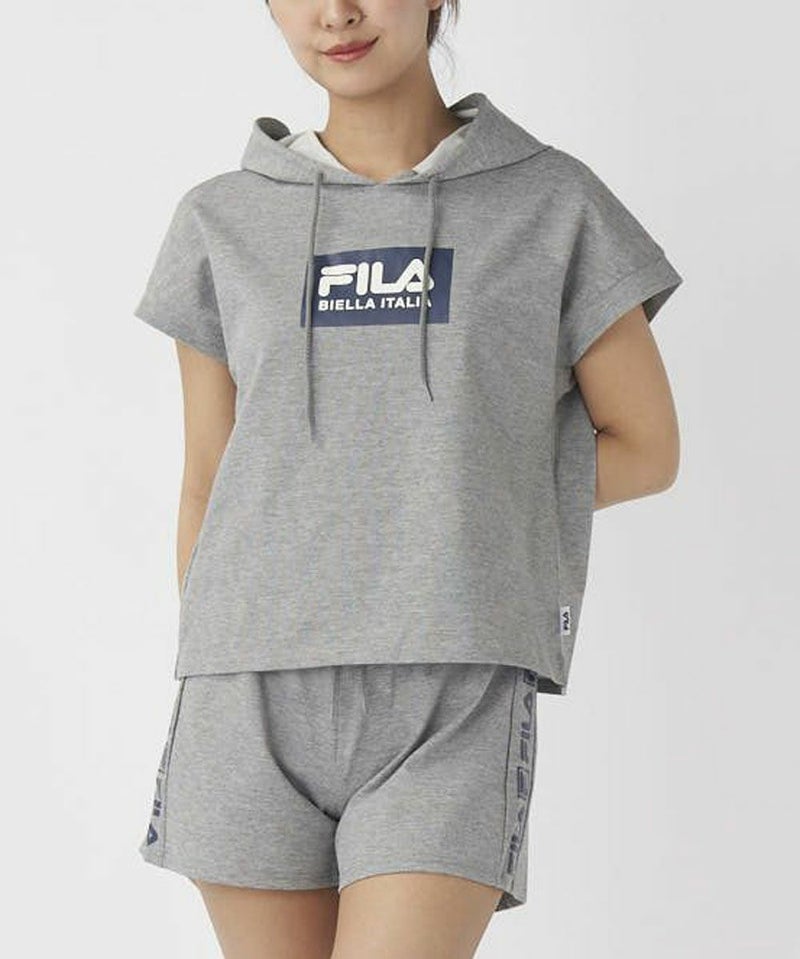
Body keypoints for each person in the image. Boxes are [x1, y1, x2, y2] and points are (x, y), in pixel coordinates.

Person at [133, 1, 684, 956]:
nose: (335, 13)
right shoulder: (221, 217)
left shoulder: (552, 203)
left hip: (451, 688)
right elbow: (208, 478)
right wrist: (215, 655)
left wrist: (445, 487)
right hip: (246, 692)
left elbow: (645, 445)